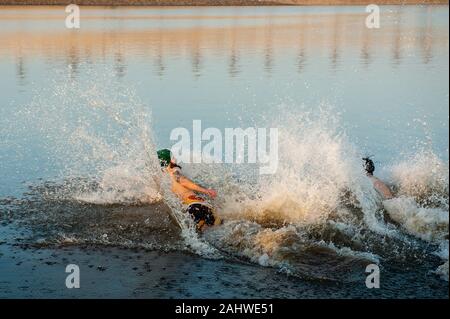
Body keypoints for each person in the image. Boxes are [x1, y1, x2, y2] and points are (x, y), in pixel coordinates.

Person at [157, 149, 220, 231]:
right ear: (169, 160)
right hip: (198, 204)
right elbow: (183, 181)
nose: (175, 159)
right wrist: (206, 190)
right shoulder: (174, 171)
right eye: (172, 157)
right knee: (218, 226)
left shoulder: (162, 178)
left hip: (190, 208)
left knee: (203, 231)